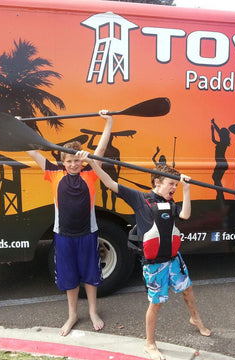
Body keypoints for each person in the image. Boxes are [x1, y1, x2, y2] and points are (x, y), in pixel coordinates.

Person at [83, 112, 210, 360]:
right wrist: (93, 163)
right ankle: (149, 344)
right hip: (154, 266)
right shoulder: (139, 198)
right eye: (170, 184)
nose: (172, 188)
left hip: (174, 260)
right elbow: (109, 182)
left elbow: (184, 215)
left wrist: (186, 188)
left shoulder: (170, 202)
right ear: (156, 182)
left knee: (188, 290)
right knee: (157, 303)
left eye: (174, 186)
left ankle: (195, 318)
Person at [26, 110, 113, 336]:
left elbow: (101, 151)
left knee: (91, 275)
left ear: (82, 162)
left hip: (88, 234)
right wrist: (19, 129)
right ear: (63, 162)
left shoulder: (90, 175)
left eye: (77, 160)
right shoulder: (54, 174)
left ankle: (93, 311)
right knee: (69, 277)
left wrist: (109, 122)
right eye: (70, 161)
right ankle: (72, 314)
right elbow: (32, 151)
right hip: (63, 236)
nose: (74, 164)